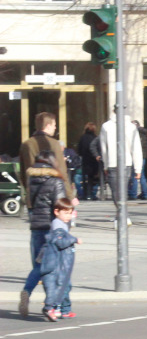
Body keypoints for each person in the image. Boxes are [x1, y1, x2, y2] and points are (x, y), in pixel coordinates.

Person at [17, 149, 70, 318]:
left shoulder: (32, 180)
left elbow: (31, 203)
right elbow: (59, 207)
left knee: (39, 266)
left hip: (36, 228)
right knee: (55, 268)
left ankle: (27, 291)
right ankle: (53, 305)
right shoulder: (56, 182)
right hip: (51, 229)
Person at [37, 198, 80, 321]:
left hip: (60, 261)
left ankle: (62, 309)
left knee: (65, 285)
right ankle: (55, 308)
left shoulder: (61, 224)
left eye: (70, 213)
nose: (69, 216)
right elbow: (60, 243)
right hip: (57, 262)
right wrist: (74, 239)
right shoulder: (58, 226)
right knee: (60, 285)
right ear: (56, 212)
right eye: (66, 213)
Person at [99, 114, 143, 219]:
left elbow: (104, 148)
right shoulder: (131, 127)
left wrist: (105, 164)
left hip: (112, 162)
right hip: (126, 162)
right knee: (122, 190)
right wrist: (138, 167)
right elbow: (136, 149)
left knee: (115, 191)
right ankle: (122, 214)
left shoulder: (106, 126)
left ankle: (121, 214)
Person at [77, 122, 99, 200]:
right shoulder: (95, 138)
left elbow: (79, 150)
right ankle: (92, 194)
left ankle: (85, 194)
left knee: (84, 178)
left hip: (85, 160)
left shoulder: (83, 137)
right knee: (93, 178)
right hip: (93, 160)